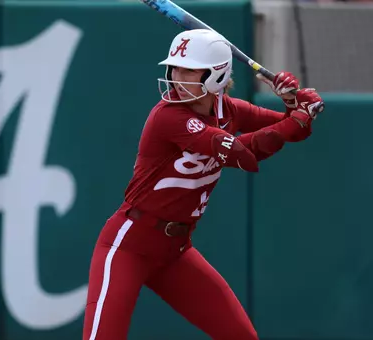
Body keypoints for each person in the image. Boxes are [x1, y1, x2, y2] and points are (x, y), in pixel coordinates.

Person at [82, 29, 324, 340]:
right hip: (128, 244)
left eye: (188, 70)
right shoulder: (168, 116)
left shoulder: (230, 110)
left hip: (175, 251)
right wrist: (296, 119)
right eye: (175, 68)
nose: (177, 77)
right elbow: (242, 155)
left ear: (216, 76)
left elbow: (289, 128)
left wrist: (293, 105)